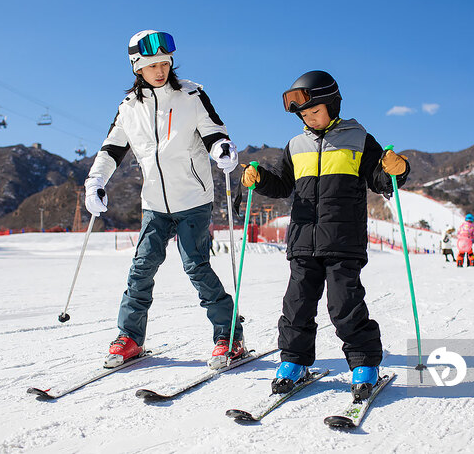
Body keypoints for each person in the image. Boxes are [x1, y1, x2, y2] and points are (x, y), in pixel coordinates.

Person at [239, 70, 410, 401]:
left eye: (314, 112)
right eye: (304, 114)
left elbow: (381, 178)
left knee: (343, 304)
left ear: (332, 105)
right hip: (303, 240)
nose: (310, 119)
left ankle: (364, 363)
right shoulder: (295, 145)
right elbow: (283, 184)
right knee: (297, 305)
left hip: (343, 240)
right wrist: (258, 178)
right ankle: (294, 361)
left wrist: (397, 168)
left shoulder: (358, 138)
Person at [84, 30, 244, 369]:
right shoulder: (128, 108)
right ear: (137, 68)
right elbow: (111, 149)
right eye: (152, 65)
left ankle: (229, 336)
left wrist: (222, 151)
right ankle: (129, 338)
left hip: (193, 199)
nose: (160, 70)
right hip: (154, 203)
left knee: (196, 267)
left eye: (164, 63)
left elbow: (215, 131)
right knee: (141, 267)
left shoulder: (190, 94)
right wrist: (95, 181)